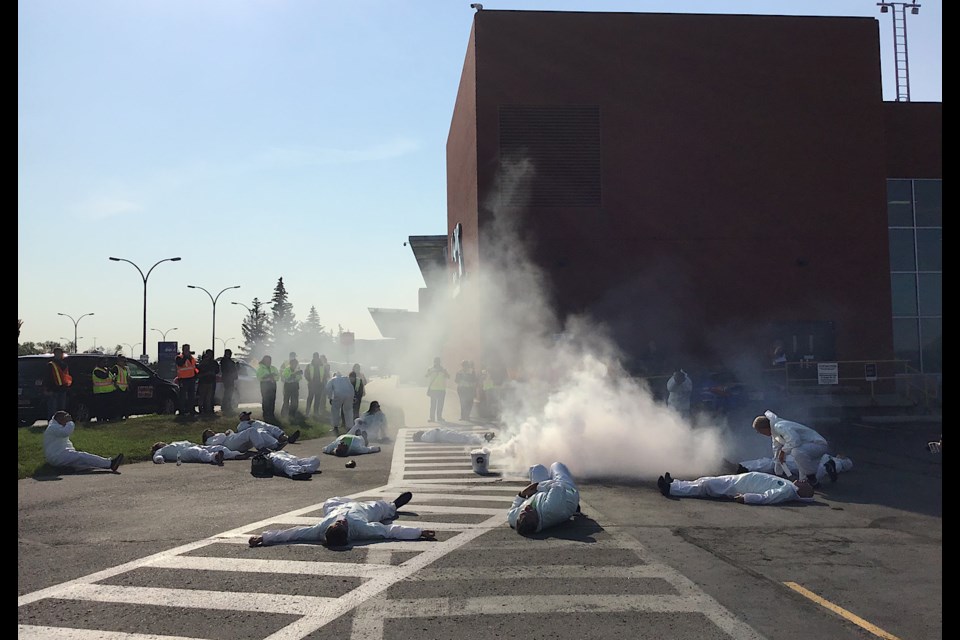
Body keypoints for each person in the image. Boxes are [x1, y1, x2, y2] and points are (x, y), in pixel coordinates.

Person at [247, 492, 435, 547]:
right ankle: (394, 505)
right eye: (342, 526)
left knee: (329, 501)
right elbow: (390, 531)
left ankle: (346, 501)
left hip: (336, 507)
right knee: (380, 508)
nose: (341, 522)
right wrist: (419, 532)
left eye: (337, 524)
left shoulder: (319, 529)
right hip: (362, 511)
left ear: (328, 529)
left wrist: (265, 538)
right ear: (347, 533)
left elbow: (292, 533)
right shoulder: (362, 529)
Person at [752, 410, 830, 488]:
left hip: (818, 444)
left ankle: (812, 479)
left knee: (796, 452)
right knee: (804, 480)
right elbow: (776, 451)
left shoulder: (779, 426)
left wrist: (783, 451)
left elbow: (795, 441)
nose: (761, 434)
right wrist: (778, 473)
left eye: (759, 431)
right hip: (807, 448)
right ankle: (827, 466)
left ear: (764, 428)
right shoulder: (775, 433)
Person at [507, 462, 581, 536]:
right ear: (536, 521)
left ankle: (546, 480)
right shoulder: (551, 509)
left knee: (536, 468)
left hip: (542, 493)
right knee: (556, 465)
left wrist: (522, 495)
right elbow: (557, 486)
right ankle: (576, 506)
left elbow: (512, 510)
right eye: (528, 513)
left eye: (522, 514)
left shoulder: (513, 518)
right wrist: (537, 486)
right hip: (567, 493)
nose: (526, 508)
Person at [657, 471, 816, 505]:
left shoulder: (787, 491)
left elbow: (767, 497)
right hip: (739, 480)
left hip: (739, 486)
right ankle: (675, 483)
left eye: (806, 484)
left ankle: (670, 489)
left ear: (804, 492)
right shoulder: (789, 486)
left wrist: (746, 498)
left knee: (706, 486)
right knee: (706, 480)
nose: (803, 481)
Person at [44, 410, 123, 473]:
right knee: (82, 456)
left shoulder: (55, 427)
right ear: (60, 419)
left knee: (83, 464)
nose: (68, 420)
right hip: (58, 456)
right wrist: (70, 422)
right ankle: (110, 464)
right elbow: (66, 432)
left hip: (59, 455)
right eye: (66, 418)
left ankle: (66, 469)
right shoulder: (53, 427)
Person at [737, 453, 853, 485]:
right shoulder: (837, 461)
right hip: (816, 460)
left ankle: (742, 467)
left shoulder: (838, 460)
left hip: (805, 458)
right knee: (812, 471)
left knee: (773, 463)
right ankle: (742, 467)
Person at [151, 440, 243, 465]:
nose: (163, 443)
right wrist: (159, 459)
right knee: (199, 452)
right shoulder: (162, 450)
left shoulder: (173, 443)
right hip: (183, 452)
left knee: (216, 447)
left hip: (191, 445)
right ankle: (214, 457)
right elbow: (157, 456)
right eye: (160, 443)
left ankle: (234, 454)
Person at [201, 426, 282, 453]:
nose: (211, 431)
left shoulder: (217, 435)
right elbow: (216, 444)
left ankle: (275, 445)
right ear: (206, 436)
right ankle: (261, 448)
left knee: (258, 432)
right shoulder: (209, 441)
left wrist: (229, 432)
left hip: (234, 441)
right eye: (208, 432)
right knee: (251, 430)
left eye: (210, 430)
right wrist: (224, 434)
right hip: (230, 444)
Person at [45, 347, 72, 418]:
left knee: (62, 410)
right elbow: (47, 378)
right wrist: (48, 389)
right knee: (53, 410)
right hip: (53, 390)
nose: (60, 355)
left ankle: (61, 424)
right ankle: (52, 424)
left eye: (61, 353)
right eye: (58, 353)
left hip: (62, 389)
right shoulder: (51, 364)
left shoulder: (64, 364)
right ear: (55, 353)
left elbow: (66, 376)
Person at [91, 356, 119, 421]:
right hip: (100, 392)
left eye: (106, 362)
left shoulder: (105, 369)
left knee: (107, 408)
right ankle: (100, 419)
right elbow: (104, 376)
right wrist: (108, 371)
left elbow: (111, 378)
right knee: (101, 408)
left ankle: (106, 418)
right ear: (99, 362)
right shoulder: (97, 370)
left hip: (108, 392)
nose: (105, 363)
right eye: (104, 362)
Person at [175, 344, 199, 417]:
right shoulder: (179, 357)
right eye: (185, 349)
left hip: (191, 379)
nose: (187, 350)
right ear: (182, 350)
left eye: (188, 349)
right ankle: (182, 411)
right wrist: (185, 357)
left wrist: (196, 375)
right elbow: (180, 364)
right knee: (182, 396)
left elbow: (194, 367)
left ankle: (191, 410)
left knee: (191, 396)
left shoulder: (191, 358)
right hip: (183, 379)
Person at [304, 353, 330, 418]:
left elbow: (326, 374)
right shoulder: (309, 366)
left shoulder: (322, 366)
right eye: (314, 357)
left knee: (317, 399)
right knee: (310, 398)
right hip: (312, 385)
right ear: (313, 357)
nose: (316, 358)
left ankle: (316, 413)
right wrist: (309, 380)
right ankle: (307, 412)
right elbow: (306, 374)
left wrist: (323, 381)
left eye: (316, 357)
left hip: (320, 385)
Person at [256, 355, 280, 423]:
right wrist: (267, 377)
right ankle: (266, 414)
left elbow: (278, 376)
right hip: (265, 385)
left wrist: (273, 377)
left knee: (272, 399)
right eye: (267, 360)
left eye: (270, 360)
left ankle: (271, 413)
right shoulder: (261, 368)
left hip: (273, 384)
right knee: (266, 399)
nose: (269, 362)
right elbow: (259, 377)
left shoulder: (273, 368)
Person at [425, 357, 449, 423]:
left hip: (441, 389)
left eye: (437, 361)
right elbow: (426, 376)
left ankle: (439, 417)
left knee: (440, 404)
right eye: (435, 361)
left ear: (439, 362)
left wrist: (444, 372)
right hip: (434, 389)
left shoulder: (443, 369)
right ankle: (432, 418)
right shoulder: (430, 369)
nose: (436, 363)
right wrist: (432, 371)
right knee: (433, 404)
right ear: (434, 362)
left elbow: (448, 376)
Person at [196, 349, 220, 415]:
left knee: (209, 397)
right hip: (203, 381)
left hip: (211, 381)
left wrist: (212, 372)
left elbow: (217, 370)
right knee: (202, 397)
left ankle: (208, 410)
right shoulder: (202, 362)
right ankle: (201, 410)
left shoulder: (214, 363)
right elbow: (198, 370)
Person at [412, 427, 495, 446]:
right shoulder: (423, 437)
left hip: (445, 433)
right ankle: (483, 439)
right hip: (445, 436)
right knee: (464, 438)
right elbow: (432, 439)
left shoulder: (424, 435)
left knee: (465, 436)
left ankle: (483, 437)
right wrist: (435, 430)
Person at [280, 352, 303, 418]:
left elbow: (299, 378)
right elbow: (286, 378)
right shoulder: (287, 369)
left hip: (295, 386)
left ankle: (292, 414)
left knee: (295, 401)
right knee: (286, 400)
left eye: (296, 364)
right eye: (294, 364)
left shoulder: (297, 369)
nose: (295, 365)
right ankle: (283, 414)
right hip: (288, 386)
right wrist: (294, 375)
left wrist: (298, 375)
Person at [109, 354, 131, 419]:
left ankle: (125, 415)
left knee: (125, 404)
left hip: (125, 389)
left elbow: (126, 378)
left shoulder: (125, 369)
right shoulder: (116, 368)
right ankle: (118, 416)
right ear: (119, 362)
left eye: (125, 362)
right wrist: (116, 385)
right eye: (124, 361)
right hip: (119, 389)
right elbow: (112, 377)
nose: (125, 363)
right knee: (118, 404)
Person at [219, 349, 239, 416]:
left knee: (229, 393)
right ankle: (225, 406)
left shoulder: (230, 361)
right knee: (227, 393)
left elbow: (233, 369)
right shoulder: (224, 361)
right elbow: (226, 369)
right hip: (227, 379)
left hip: (230, 379)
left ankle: (227, 406)